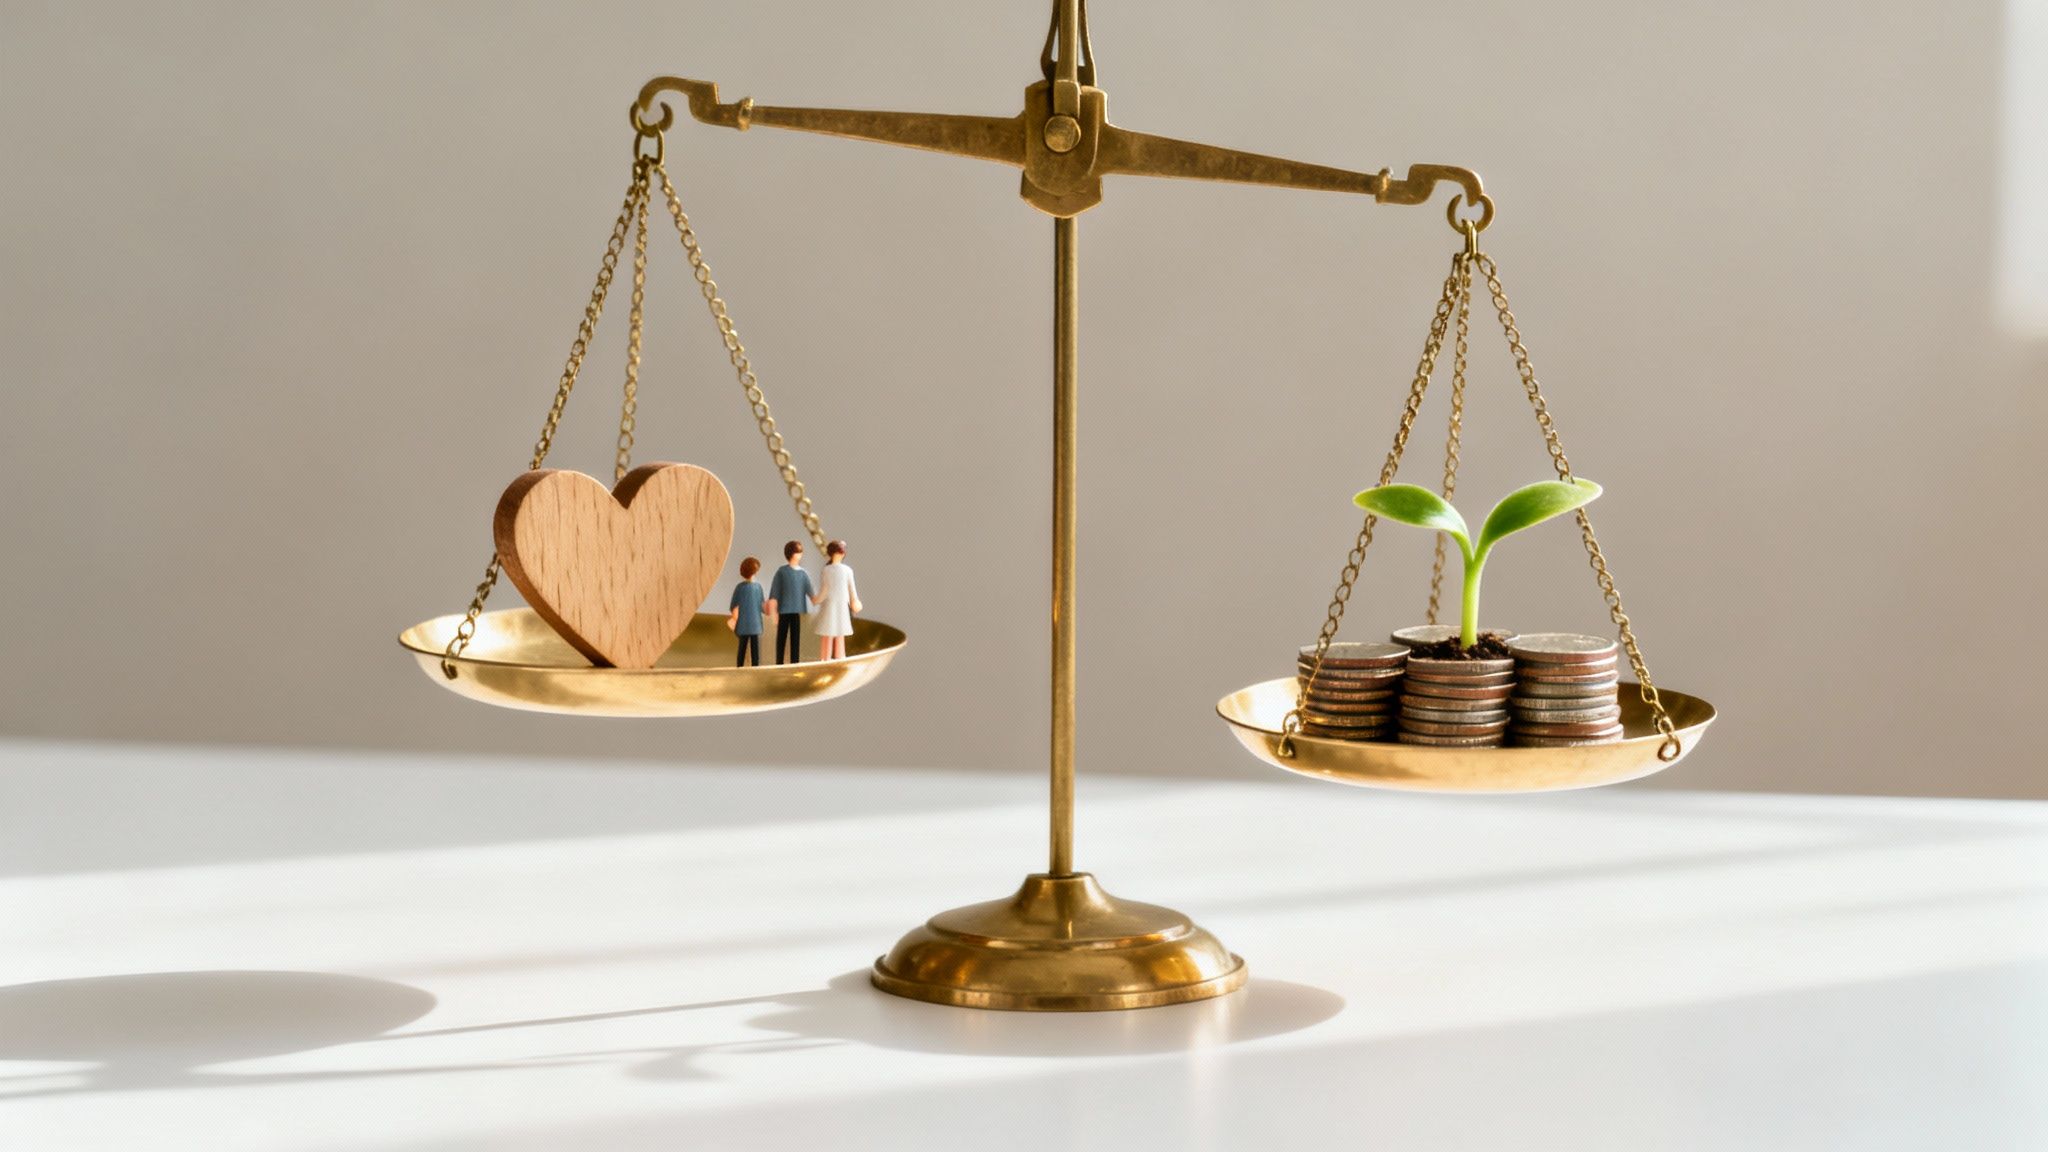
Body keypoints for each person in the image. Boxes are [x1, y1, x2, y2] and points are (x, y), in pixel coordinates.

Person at [811, 539, 861, 661]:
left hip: (840, 605)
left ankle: (839, 657)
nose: (840, 555)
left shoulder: (845, 570)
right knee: (829, 632)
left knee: (839, 632)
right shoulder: (827, 570)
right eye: (839, 552)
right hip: (831, 605)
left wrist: (855, 601)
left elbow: (851, 589)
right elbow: (825, 589)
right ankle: (826, 658)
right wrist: (818, 599)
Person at [766, 540, 814, 665]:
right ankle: (779, 662)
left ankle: (795, 663)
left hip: (797, 611)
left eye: (800, 552)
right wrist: (773, 613)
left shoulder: (803, 574)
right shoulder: (781, 572)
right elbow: (774, 595)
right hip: (783, 611)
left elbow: (812, 594)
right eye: (798, 552)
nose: (800, 554)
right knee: (781, 639)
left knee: (795, 640)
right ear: (791, 554)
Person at [726, 556, 767, 667]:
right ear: (754, 572)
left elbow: (733, 606)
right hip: (755, 625)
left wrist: (734, 618)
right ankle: (754, 668)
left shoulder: (739, 588)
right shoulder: (758, 587)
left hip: (743, 625)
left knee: (742, 649)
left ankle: (740, 667)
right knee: (755, 651)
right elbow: (762, 606)